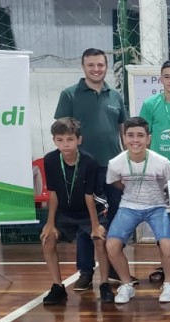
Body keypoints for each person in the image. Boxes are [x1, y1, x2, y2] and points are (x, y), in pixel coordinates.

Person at [54, 48, 127, 292]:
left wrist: (127, 164)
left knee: (114, 219)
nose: (96, 69)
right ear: (83, 67)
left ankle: (115, 267)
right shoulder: (69, 94)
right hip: (81, 169)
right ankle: (85, 272)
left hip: (112, 169)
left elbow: (122, 131)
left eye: (100, 65)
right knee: (86, 222)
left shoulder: (115, 95)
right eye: (91, 65)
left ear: (106, 67)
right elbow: (61, 131)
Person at [104, 117, 170, 304]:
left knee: (168, 245)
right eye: (130, 135)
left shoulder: (162, 162)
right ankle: (127, 285)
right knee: (111, 245)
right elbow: (115, 182)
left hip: (158, 207)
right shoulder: (115, 163)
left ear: (148, 139)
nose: (135, 140)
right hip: (129, 206)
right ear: (124, 138)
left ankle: (169, 284)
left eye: (140, 135)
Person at [40, 118, 109, 305]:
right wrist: (50, 223)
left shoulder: (89, 161)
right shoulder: (50, 160)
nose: (65, 144)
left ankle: (104, 284)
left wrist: (95, 226)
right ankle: (57, 287)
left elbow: (89, 196)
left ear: (79, 140)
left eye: (70, 139)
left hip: (90, 211)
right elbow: (53, 193)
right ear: (54, 140)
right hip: (65, 213)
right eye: (60, 140)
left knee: (100, 240)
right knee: (47, 239)